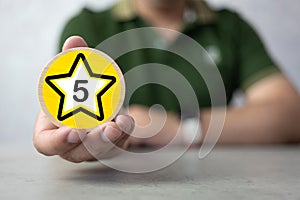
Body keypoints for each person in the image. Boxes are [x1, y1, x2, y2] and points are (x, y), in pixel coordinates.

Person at [34, 0, 300, 163]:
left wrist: (174, 128)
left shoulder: (230, 27)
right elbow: (74, 122)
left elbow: (290, 115)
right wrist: (90, 139)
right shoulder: (89, 26)